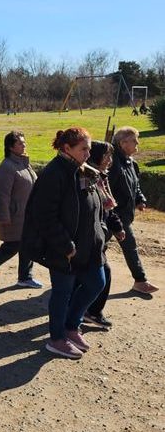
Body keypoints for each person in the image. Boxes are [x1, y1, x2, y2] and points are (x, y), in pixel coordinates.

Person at [22, 127, 106, 360]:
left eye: (89, 148)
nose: (88, 153)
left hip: (90, 245)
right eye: (83, 149)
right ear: (66, 148)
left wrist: (103, 230)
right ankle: (57, 339)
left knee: (96, 283)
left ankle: (71, 327)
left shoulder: (85, 171)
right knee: (62, 293)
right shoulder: (54, 174)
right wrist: (65, 246)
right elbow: (44, 216)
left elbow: (95, 207)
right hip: (65, 249)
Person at [0, 130, 43, 289]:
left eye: (24, 142)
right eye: (20, 143)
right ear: (10, 147)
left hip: (28, 214)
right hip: (15, 215)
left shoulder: (24, 163)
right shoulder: (7, 167)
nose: (24, 145)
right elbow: (2, 195)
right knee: (13, 246)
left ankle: (25, 277)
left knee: (27, 245)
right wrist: (4, 217)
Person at [108, 126, 158, 295]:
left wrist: (140, 200)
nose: (138, 143)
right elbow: (105, 189)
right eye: (134, 140)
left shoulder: (132, 163)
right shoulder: (112, 163)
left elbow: (135, 187)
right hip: (111, 215)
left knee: (127, 247)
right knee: (98, 247)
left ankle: (140, 280)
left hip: (125, 216)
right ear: (122, 143)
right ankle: (140, 280)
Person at [82, 141, 125, 329]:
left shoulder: (102, 178)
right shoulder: (87, 178)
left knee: (93, 276)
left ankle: (84, 312)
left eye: (111, 156)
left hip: (100, 237)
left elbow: (109, 210)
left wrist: (117, 227)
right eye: (106, 156)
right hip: (89, 238)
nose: (110, 160)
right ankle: (88, 312)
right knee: (101, 274)